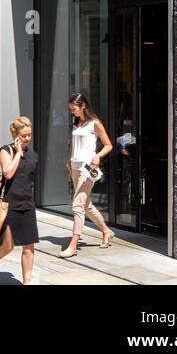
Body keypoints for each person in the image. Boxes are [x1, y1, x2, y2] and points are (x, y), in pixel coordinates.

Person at [0, 117, 38, 285]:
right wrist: (18, 154)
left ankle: (27, 281)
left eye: (29, 135)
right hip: (9, 205)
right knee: (7, 246)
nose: (27, 138)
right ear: (16, 135)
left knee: (29, 246)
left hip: (27, 204)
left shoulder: (33, 155)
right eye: (23, 135)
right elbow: (7, 173)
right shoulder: (6, 151)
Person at [60, 92, 114, 257]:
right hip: (75, 167)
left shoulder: (94, 123)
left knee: (77, 205)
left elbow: (108, 145)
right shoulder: (76, 122)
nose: (72, 112)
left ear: (83, 106)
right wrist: (68, 161)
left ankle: (73, 245)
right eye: (71, 109)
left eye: (74, 108)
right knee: (86, 204)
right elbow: (72, 143)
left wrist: (98, 156)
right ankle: (106, 231)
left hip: (87, 169)